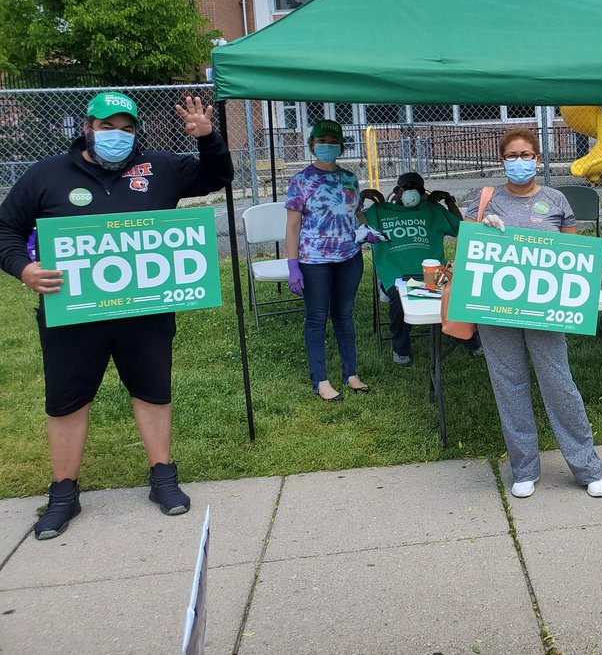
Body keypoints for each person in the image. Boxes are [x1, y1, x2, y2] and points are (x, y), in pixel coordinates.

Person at [0, 91, 233, 539]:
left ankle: (163, 477)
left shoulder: (160, 168)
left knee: (152, 391)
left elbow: (217, 176)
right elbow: (5, 230)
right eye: (108, 127)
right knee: (68, 400)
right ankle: (64, 492)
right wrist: (23, 268)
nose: (117, 136)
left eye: (126, 129)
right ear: (87, 126)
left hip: (143, 311)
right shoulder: (45, 175)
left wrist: (208, 139)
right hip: (74, 314)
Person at [462, 128, 602, 499]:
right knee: (509, 386)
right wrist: (483, 229)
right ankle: (524, 468)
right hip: (496, 308)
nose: (519, 162)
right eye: (511, 156)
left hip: (545, 309)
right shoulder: (485, 199)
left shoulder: (556, 199)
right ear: (501, 161)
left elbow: (572, 254)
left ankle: (586, 466)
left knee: (559, 384)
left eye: (526, 155)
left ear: (538, 159)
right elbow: (470, 252)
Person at [285, 118, 375, 401]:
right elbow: (292, 226)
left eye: (332, 141)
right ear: (312, 145)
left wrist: (366, 228)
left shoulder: (349, 178)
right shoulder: (300, 181)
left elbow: (356, 211)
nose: (327, 146)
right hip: (314, 261)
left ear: (341, 147)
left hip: (349, 256)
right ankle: (321, 380)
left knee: (344, 315)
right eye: (321, 141)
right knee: (316, 318)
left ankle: (351, 374)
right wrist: (293, 265)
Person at [364, 171, 475, 366]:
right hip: (396, 276)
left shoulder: (432, 210)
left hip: (432, 275)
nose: (409, 193)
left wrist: (448, 201)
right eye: (404, 189)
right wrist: (360, 198)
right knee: (398, 299)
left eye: (415, 189)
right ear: (396, 191)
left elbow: (463, 228)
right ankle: (401, 349)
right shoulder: (379, 211)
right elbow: (353, 222)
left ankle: (469, 339)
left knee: (456, 295)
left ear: (423, 192)